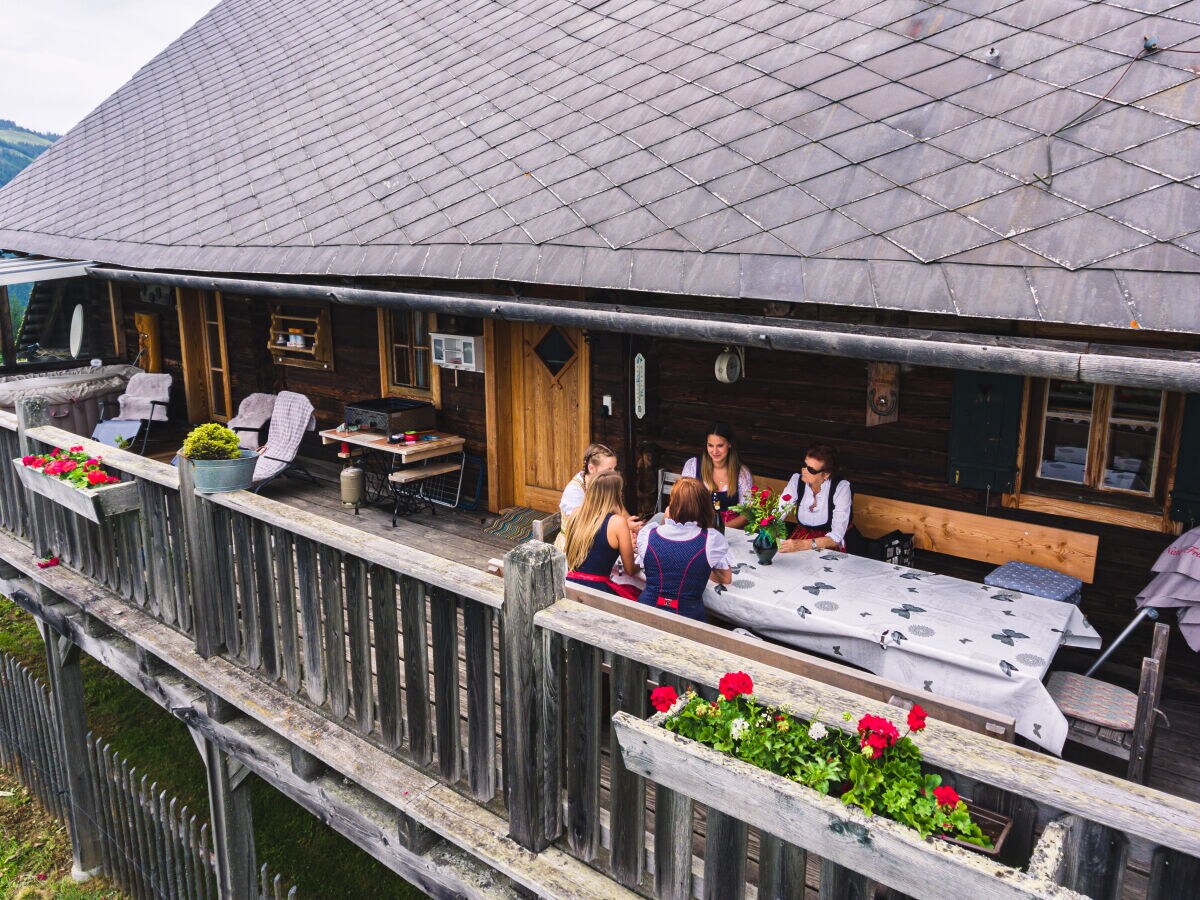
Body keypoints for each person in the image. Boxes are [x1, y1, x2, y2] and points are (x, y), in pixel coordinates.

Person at [636, 477, 732, 622]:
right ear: (703, 507)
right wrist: (702, 567)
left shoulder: (648, 534)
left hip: (646, 614)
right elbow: (725, 578)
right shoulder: (711, 540)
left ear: (671, 504)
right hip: (689, 619)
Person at [563, 471, 640, 600]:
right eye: (619, 492)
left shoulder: (575, 515)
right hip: (597, 592)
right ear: (615, 495)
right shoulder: (617, 522)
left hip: (570, 585)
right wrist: (643, 564)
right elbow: (630, 570)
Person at [779, 443, 853, 553]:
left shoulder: (841, 488)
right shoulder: (796, 481)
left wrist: (803, 545)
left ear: (826, 474)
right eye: (804, 465)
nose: (804, 471)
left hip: (827, 544)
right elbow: (778, 512)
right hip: (800, 537)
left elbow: (836, 537)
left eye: (811, 470)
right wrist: (768, 529)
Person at [681, 422, 753, 529]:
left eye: (720, 445)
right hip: (696, 529)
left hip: (729, 531)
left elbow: (747, 513)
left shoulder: (741, 473)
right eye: (710, 445)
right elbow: (684, 504)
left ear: (729, 444)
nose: (714, 451)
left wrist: (721, 528)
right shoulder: (693, 466)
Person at [559, 443, 617, 518]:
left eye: (614, 468)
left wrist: (627, 521)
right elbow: (577, 524)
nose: (614, 473)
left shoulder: (605, 482)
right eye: (609, 469)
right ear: (591, 469)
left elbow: (616, 506)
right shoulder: (574, 491)